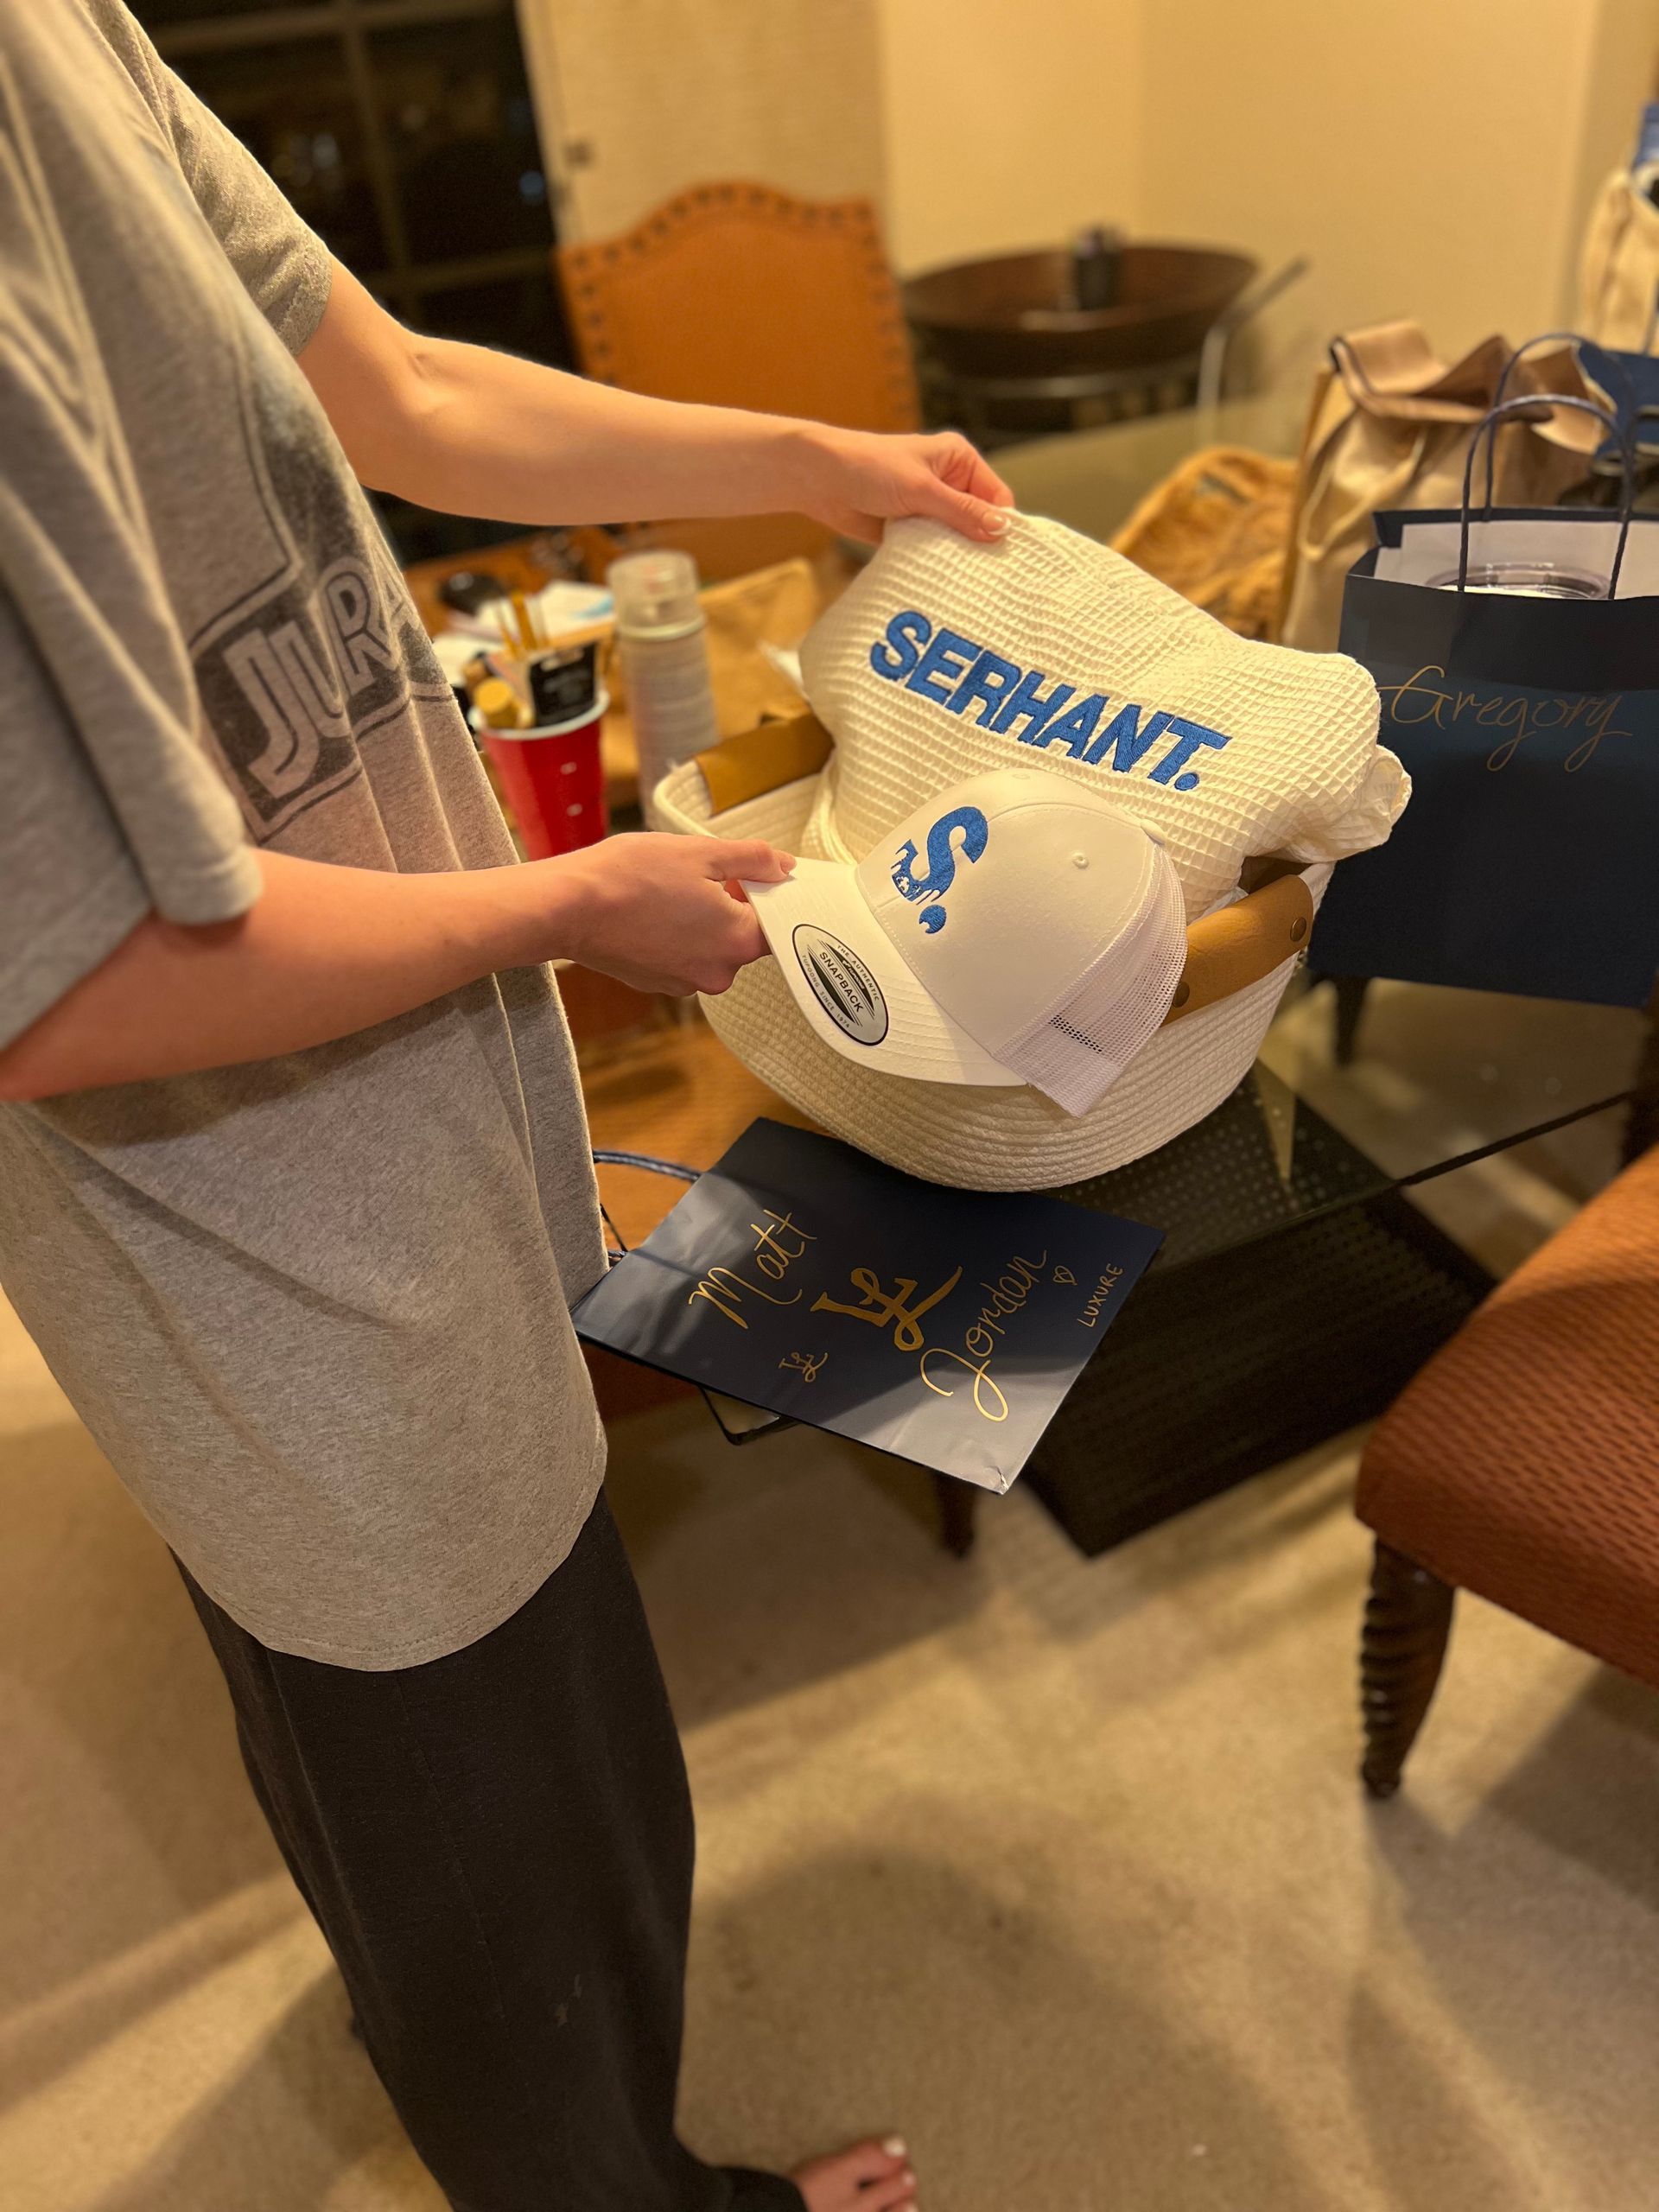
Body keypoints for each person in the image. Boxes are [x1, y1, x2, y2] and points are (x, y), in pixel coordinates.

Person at [0, 3, 1014, 2205]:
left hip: (392, 1159)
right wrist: (560, 903)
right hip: (270, 1252)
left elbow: (402, 386)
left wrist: (811, 457)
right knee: (519, 1883)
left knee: (477, 1797)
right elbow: (68, 983)